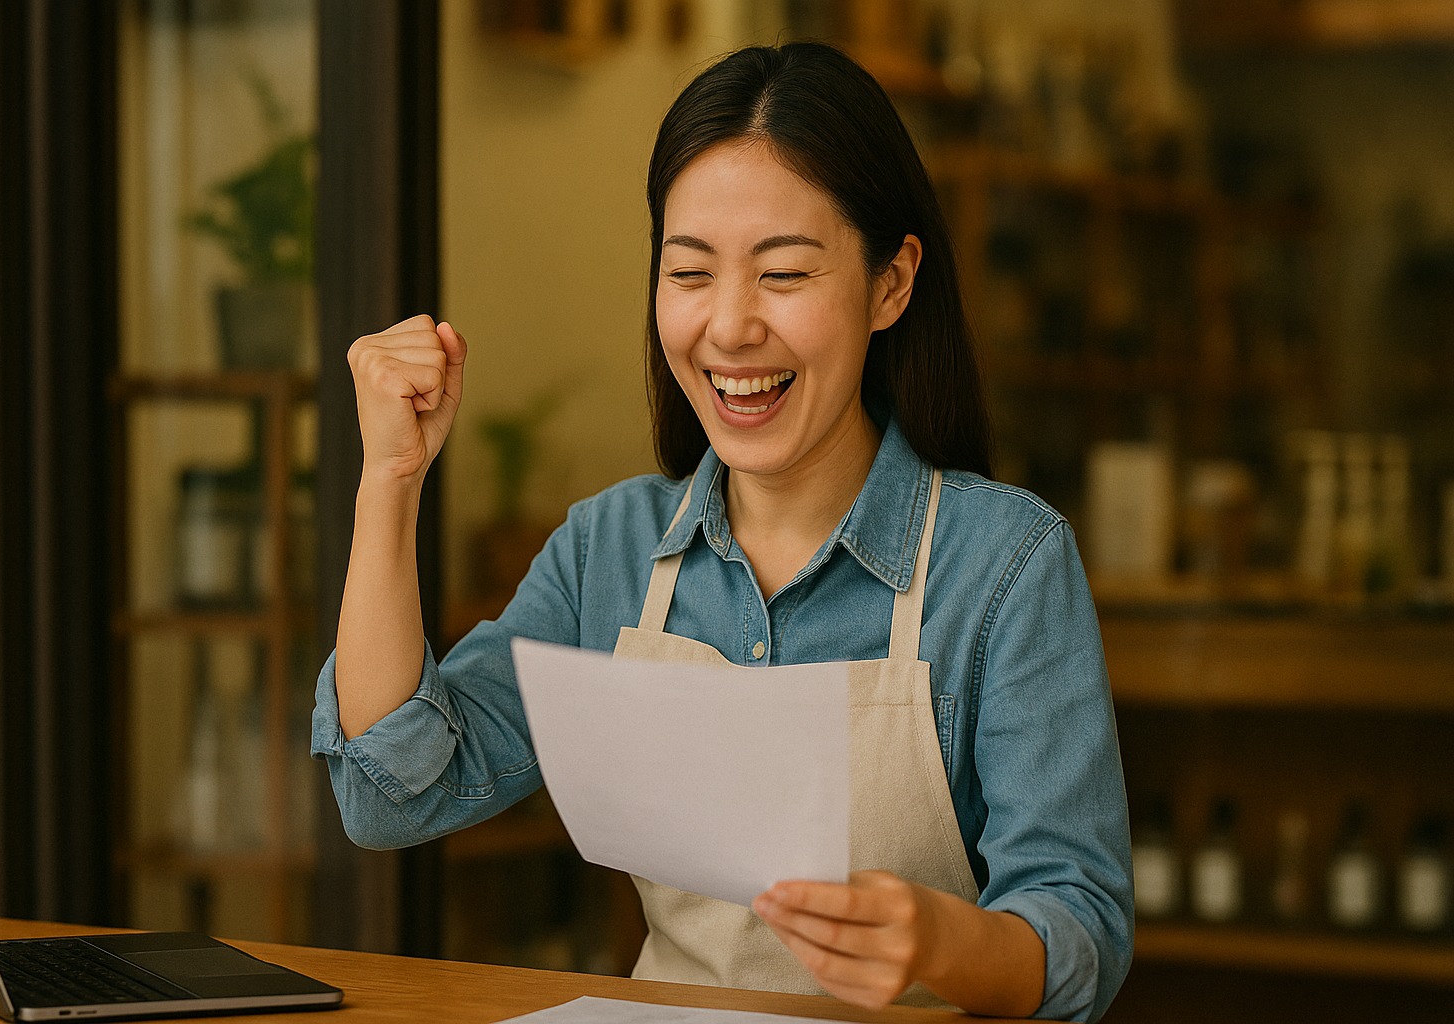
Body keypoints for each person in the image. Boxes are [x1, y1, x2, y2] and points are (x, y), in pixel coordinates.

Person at [312, 41, 1132, 1022]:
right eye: (689, 273)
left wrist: (943, 939)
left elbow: (1080, 931)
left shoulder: (1002, 564)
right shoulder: (607, 553)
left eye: (783, 272)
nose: (730, 327)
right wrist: (390, 481)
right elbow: (395, 793)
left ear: (891, 283)